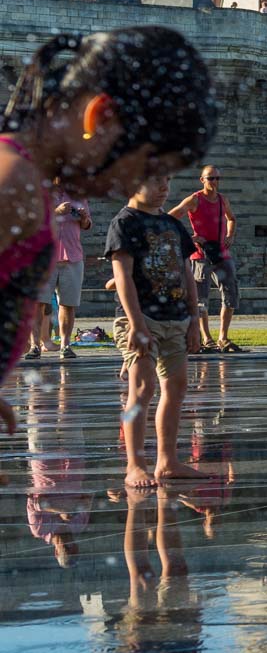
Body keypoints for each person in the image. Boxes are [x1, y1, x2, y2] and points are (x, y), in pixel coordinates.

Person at [0, 27, 216, 411]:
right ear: (100, 116)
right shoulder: (14, 183)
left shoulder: (25, 178)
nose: (122, 186)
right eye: (137, 165)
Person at [108, 174, 205, 487]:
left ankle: (167, 461)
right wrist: (136, 324)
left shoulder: (171, 224)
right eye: (155, 181)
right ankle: (135, 464)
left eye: (167, 180)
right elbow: (122, 278)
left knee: (176, 388)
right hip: (141, 318)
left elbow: (187, 273)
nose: (165, 187)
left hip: (175, 317)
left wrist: (194, 317)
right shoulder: (125, 223)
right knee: (141, 389)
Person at [169, 165, 242, 353]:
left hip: (221, 254)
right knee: (201, 299)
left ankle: (223, 338)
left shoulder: (222, 200)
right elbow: (170, 218)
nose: (215, 182)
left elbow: (231, 218)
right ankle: (206, 338)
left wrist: (230, 235)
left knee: (230, 294)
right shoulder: (195, 199)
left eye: (217, 178)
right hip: (201, 256)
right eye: (211, 178)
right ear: (202, 180)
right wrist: (190, 237)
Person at [26, 190, 91, 360]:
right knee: (38, 303)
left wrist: (84, 218)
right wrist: (55, 212)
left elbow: (87, 224)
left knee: (68, 304)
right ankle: (34, 345)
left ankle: (65, 345)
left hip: (73, 256)